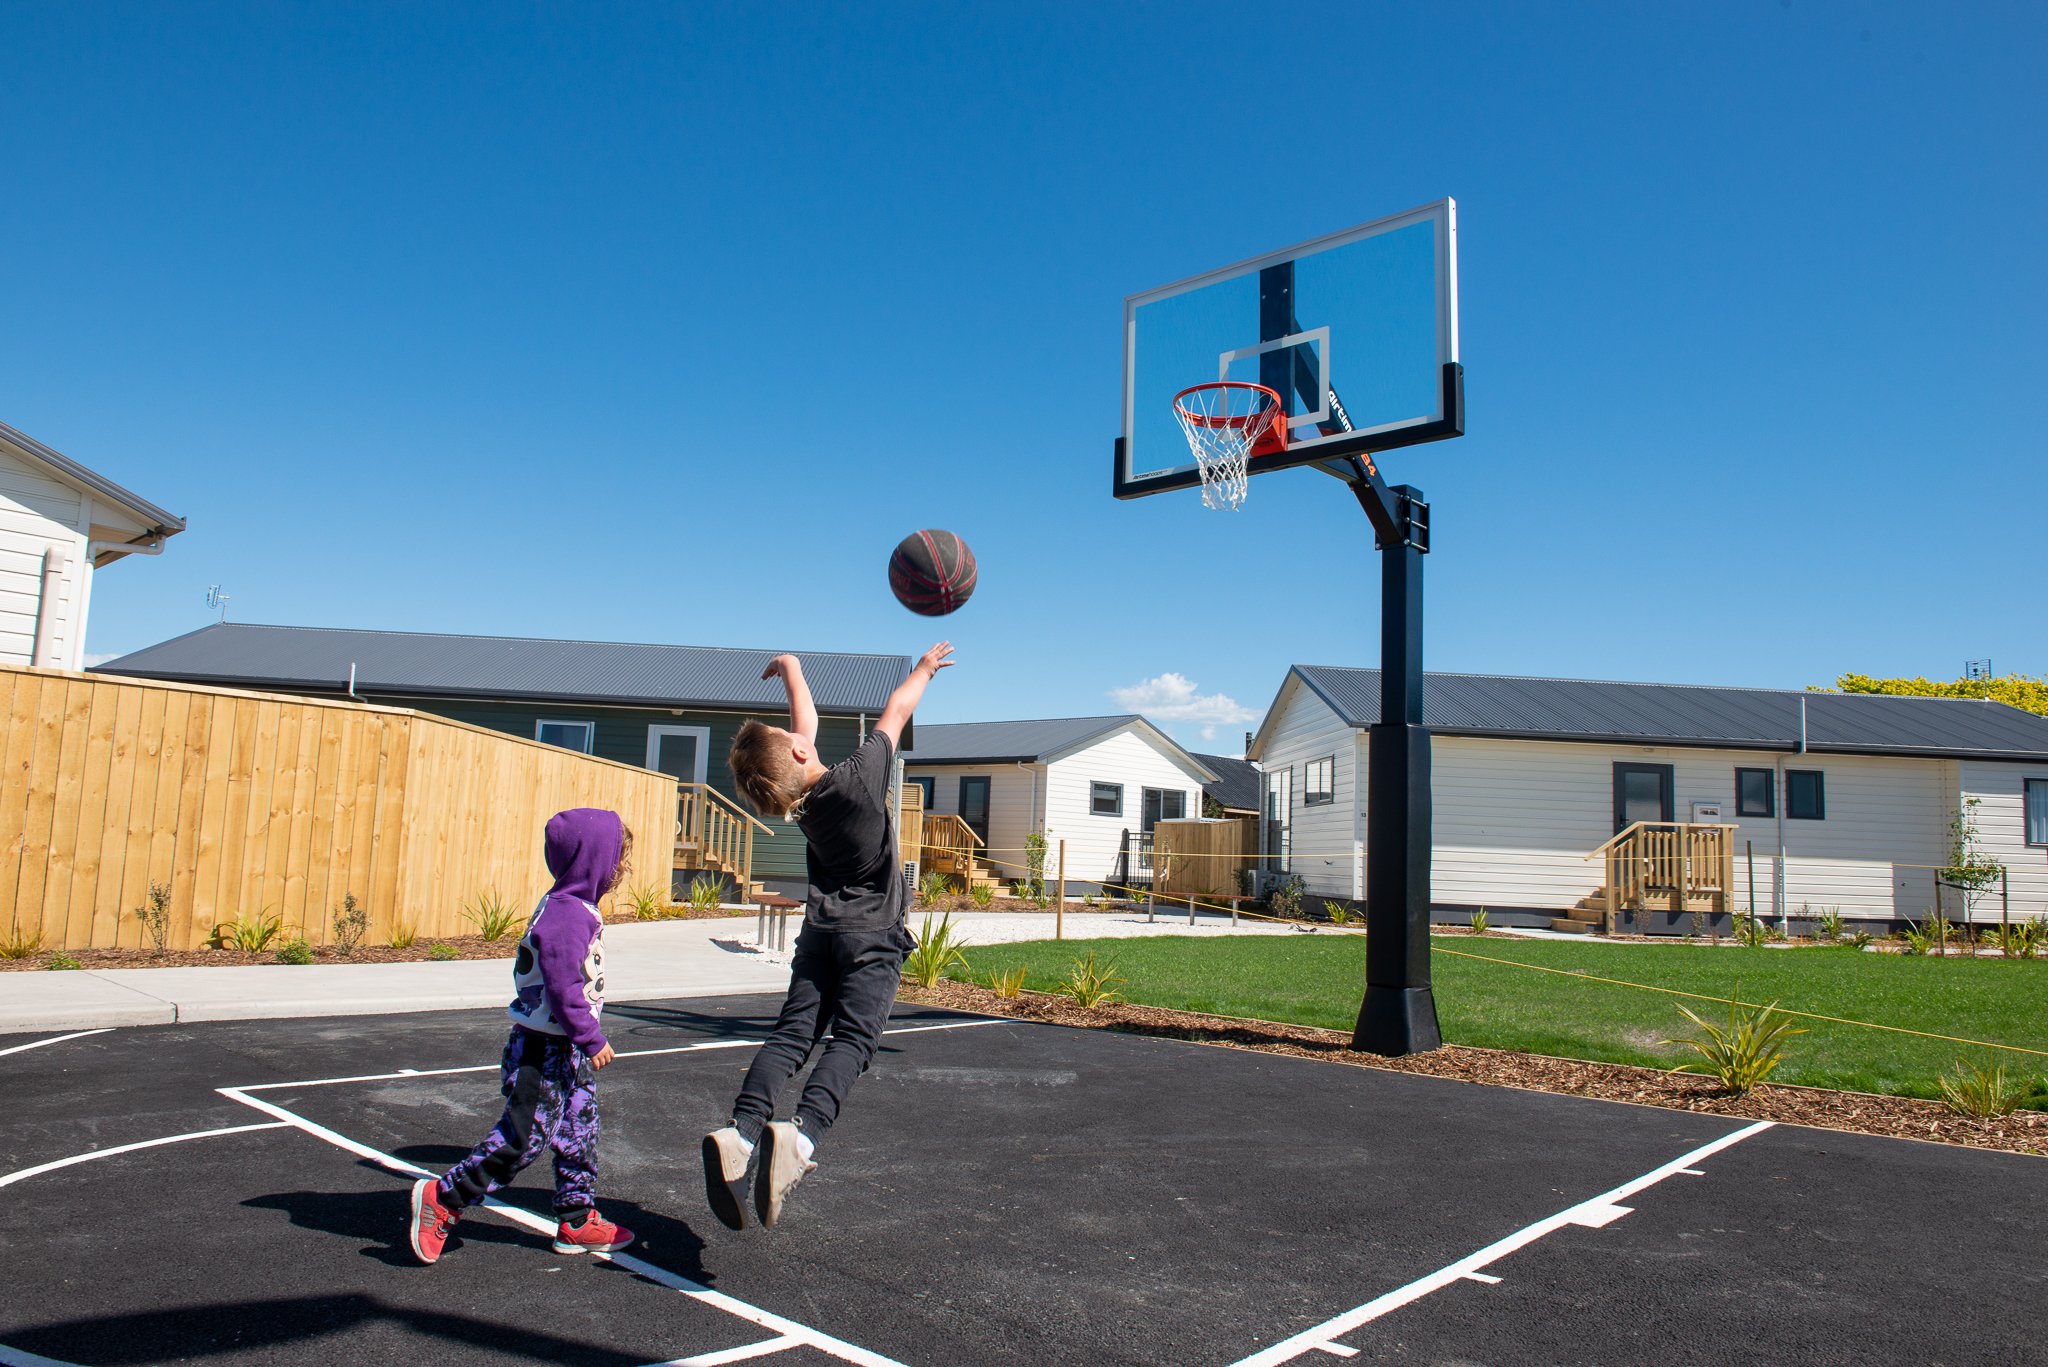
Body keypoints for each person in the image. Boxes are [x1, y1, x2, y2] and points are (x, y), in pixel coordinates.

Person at [703, 641, 953, 1229]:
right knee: (854, 1041)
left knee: (793, 1036)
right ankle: (802, 1139)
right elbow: (896, 711)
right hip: (872, 938)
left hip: (819, 932)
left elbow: (802, 729)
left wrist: (792, 668)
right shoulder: (860, 780)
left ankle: (740, 1134)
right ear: (797, 750)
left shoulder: (801, 803)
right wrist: (923, 669)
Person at [407, 807, 637, 1265]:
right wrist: (590, 1036)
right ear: (590, 861)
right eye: (615, 859)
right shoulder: (568, 915)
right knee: (524, 1135)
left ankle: (576, 1217)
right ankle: (445, 1197)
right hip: (543, 1049)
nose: (619, 871)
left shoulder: (570, 906)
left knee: (580, 1129)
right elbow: (562, 982)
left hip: (563, 1049)